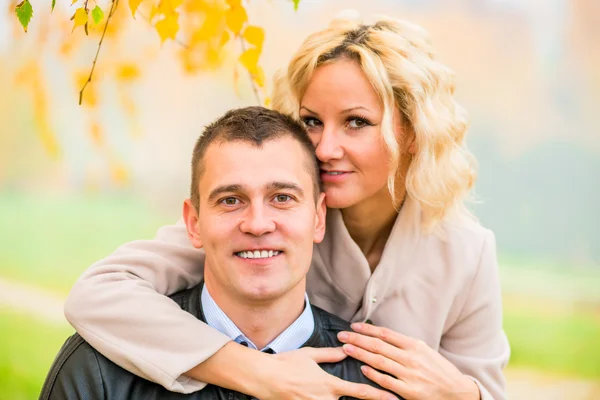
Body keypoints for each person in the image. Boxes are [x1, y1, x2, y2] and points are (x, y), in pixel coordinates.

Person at [64, 13, 510, 400]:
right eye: (311, 121)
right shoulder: (268, 223)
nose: (325, 148)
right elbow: (96, 295)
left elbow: (487, 389)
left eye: (356, 122)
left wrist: (460, 393)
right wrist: (255, 371)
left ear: (413, 131)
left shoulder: (466, 255)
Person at [40, 107, 395, 400]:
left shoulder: (373, 382)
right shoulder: (99, 371)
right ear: (193, 223)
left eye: (282, 198)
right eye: (231, 200)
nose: (257, 224)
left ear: (318, 218)